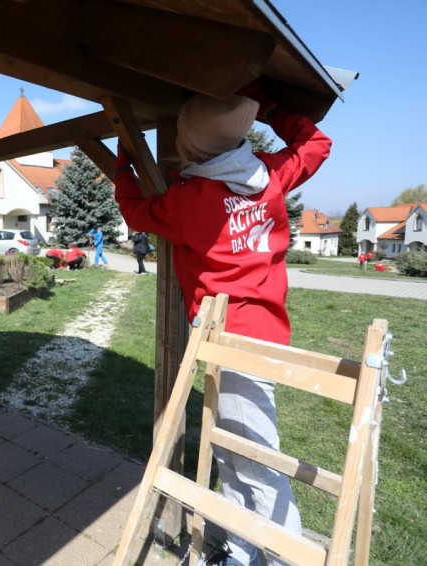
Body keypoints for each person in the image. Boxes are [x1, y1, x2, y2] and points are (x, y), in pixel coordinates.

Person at [114, 85, 331, 566]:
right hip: (260, 337)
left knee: (256, 462)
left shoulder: (188, 202)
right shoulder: (270, 175)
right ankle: (239, 549)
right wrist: (269, 108)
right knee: (231, 452)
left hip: (231, 341)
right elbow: (317, 144)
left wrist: (123, 166)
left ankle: (286, 559)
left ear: (188, 147)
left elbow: (133, 211)